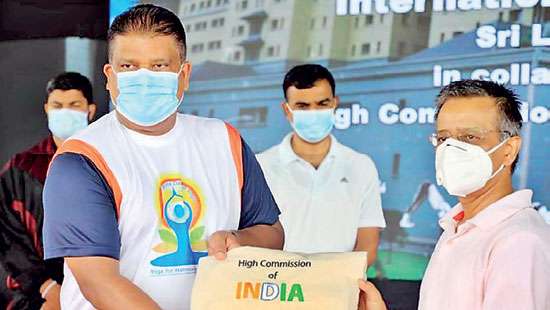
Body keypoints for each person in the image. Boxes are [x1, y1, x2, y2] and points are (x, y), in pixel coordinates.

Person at [42, 4, 283, 310]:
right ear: (110, 76)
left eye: (159, 66)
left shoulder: (225, 140)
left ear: (184, 75)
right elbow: (98, 282)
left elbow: (271, 232)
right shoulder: (81, 159)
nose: (143, 79)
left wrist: (240, 240)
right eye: (129, 66)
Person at [359, 79, 550, 310]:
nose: (451, 150)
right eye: (443, 138)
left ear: (508, 150)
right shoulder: (456, 227)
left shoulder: (518, 242)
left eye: (470, 137)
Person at [257, 64, 385, 265]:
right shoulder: (260, 167)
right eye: (303, 106)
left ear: (335, 104)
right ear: (287, 110)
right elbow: (252, 237)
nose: (313, 112)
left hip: (339, 290)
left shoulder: (361, 166)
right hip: (277, 288)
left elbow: (368, 243)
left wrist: (340, 282)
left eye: (322, 103)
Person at [0, 72, 96, 309]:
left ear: (90, 111)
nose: (65, 111)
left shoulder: (109, 161)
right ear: (47, 109)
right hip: (39, 296)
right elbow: (8, 235)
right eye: (57, 105)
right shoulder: (22, 168)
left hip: (100, 290)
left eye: (74, 105)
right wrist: (47, 288)